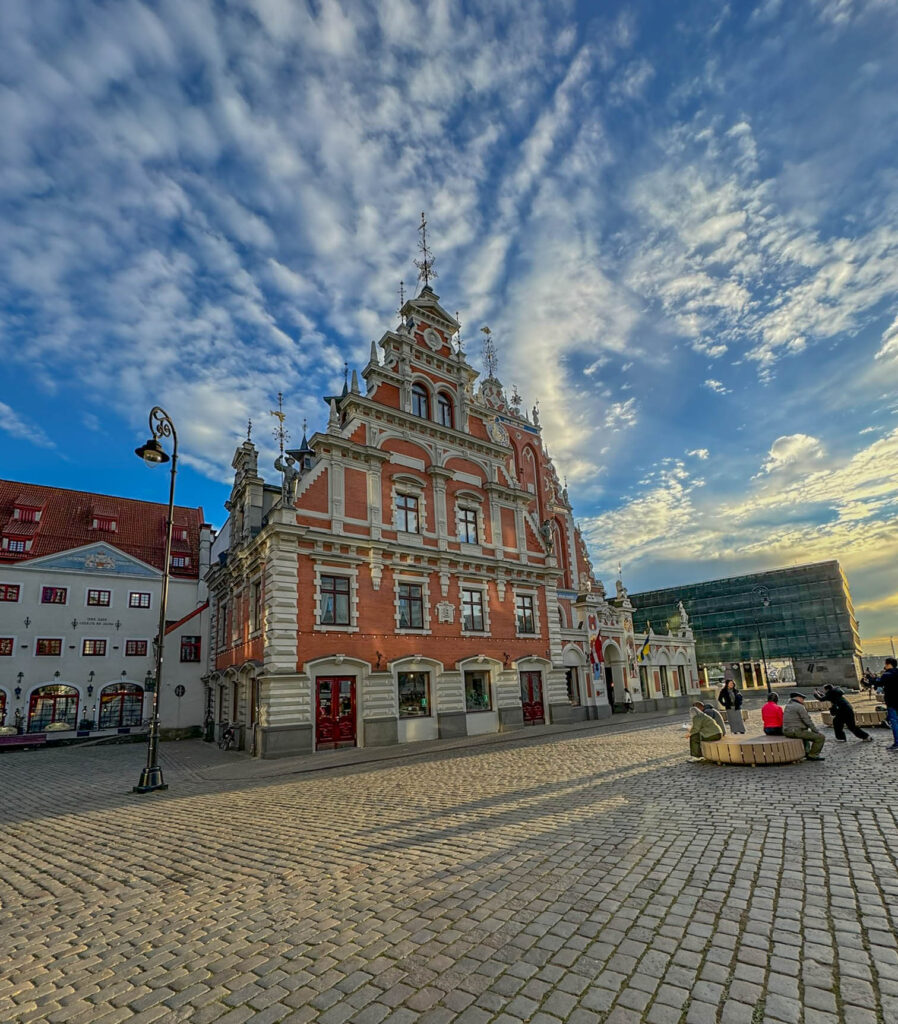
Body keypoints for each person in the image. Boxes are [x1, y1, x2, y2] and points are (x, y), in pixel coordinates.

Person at [782, 692, 825, 760]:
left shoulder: (788, 705)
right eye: (802, 699)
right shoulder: (799, 706)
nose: (803, 700)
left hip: (787, 731)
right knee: (820, 738)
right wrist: (816, 731)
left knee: (805, 733)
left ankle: (806, 752)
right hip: (795, 731)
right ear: (798, 698)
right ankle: (813, 755)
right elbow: (808, 720)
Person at [879, 657, 898, 751]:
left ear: (888, 664)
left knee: (894, 722)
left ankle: (897, 743)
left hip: (892, 702)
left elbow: (878, 683)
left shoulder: (886, 675)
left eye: (885, 664)